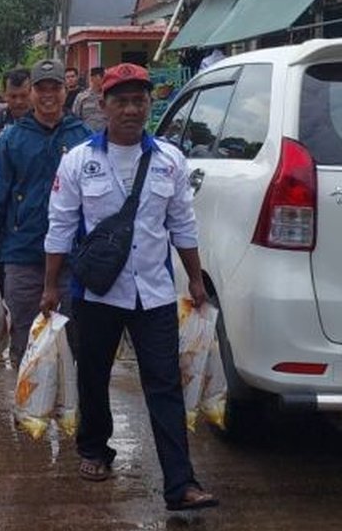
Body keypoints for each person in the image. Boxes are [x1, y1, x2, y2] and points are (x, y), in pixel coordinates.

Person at [43, 63, 218, 513]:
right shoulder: (79, 160)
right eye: (121, 100)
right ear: (103, 105)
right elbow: (60, 226)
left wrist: (195, 278)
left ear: (149, 105)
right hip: (96, 293)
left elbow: (182, 223)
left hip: (154, 293)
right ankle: (95, 449)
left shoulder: (169, 160)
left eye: (139, 100)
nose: (131, 108)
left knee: (164, 384)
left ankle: (180, 483)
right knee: (93, 375)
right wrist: (50, 287)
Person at [0, 58, 89, 367]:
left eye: (56, 88)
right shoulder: (11, 139)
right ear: (32, 92)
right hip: (23, 252)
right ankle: (27, 411)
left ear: (66, 91)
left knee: (71, 341)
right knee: (25, 339)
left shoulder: (84, 137)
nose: (49, 95)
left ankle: (69, 410)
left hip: (72, 257)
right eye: (42, 88)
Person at [71, 66, 107, 132]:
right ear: (93, 78)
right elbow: (75, 118)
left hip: (105, 136)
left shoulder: (108, 96)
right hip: (87, 135)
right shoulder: (82, 97)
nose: (105, 79)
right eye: (102, 76)